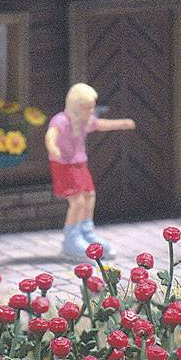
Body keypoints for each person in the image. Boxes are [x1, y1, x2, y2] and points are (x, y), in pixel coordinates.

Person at [47, 81, 133, 261]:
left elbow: (101, 124)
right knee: (77, 201)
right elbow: (51, 134)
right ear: (76, 107)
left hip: (79, 163)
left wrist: (121, 124)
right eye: (87, 108)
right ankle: (71, 239)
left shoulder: (84, 121)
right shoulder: (61, 120)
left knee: (89, 195)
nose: (91, 112)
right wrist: (52, 147)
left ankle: (86, 231)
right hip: (64, 165)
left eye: (92, 108)